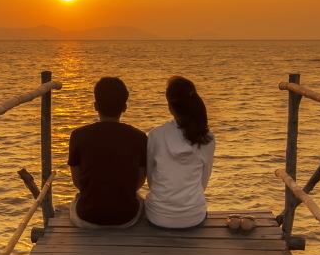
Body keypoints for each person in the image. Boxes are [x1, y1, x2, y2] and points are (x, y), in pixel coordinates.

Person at [67, 77, 148, 228]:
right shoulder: (139, 137)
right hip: (126, 219)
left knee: (75, 200)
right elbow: (139, 181)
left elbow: (78, 182)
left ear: (95, 106)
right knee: (141, 200)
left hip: (87, 218)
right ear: (125, 107)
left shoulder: (78, 135)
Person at [145, 76, 216, 228]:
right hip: (193, 216)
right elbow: (204, 180)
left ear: (170, 106)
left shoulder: (156, 135)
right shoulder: (207, 138)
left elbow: (151, 179)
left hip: (158, 216)